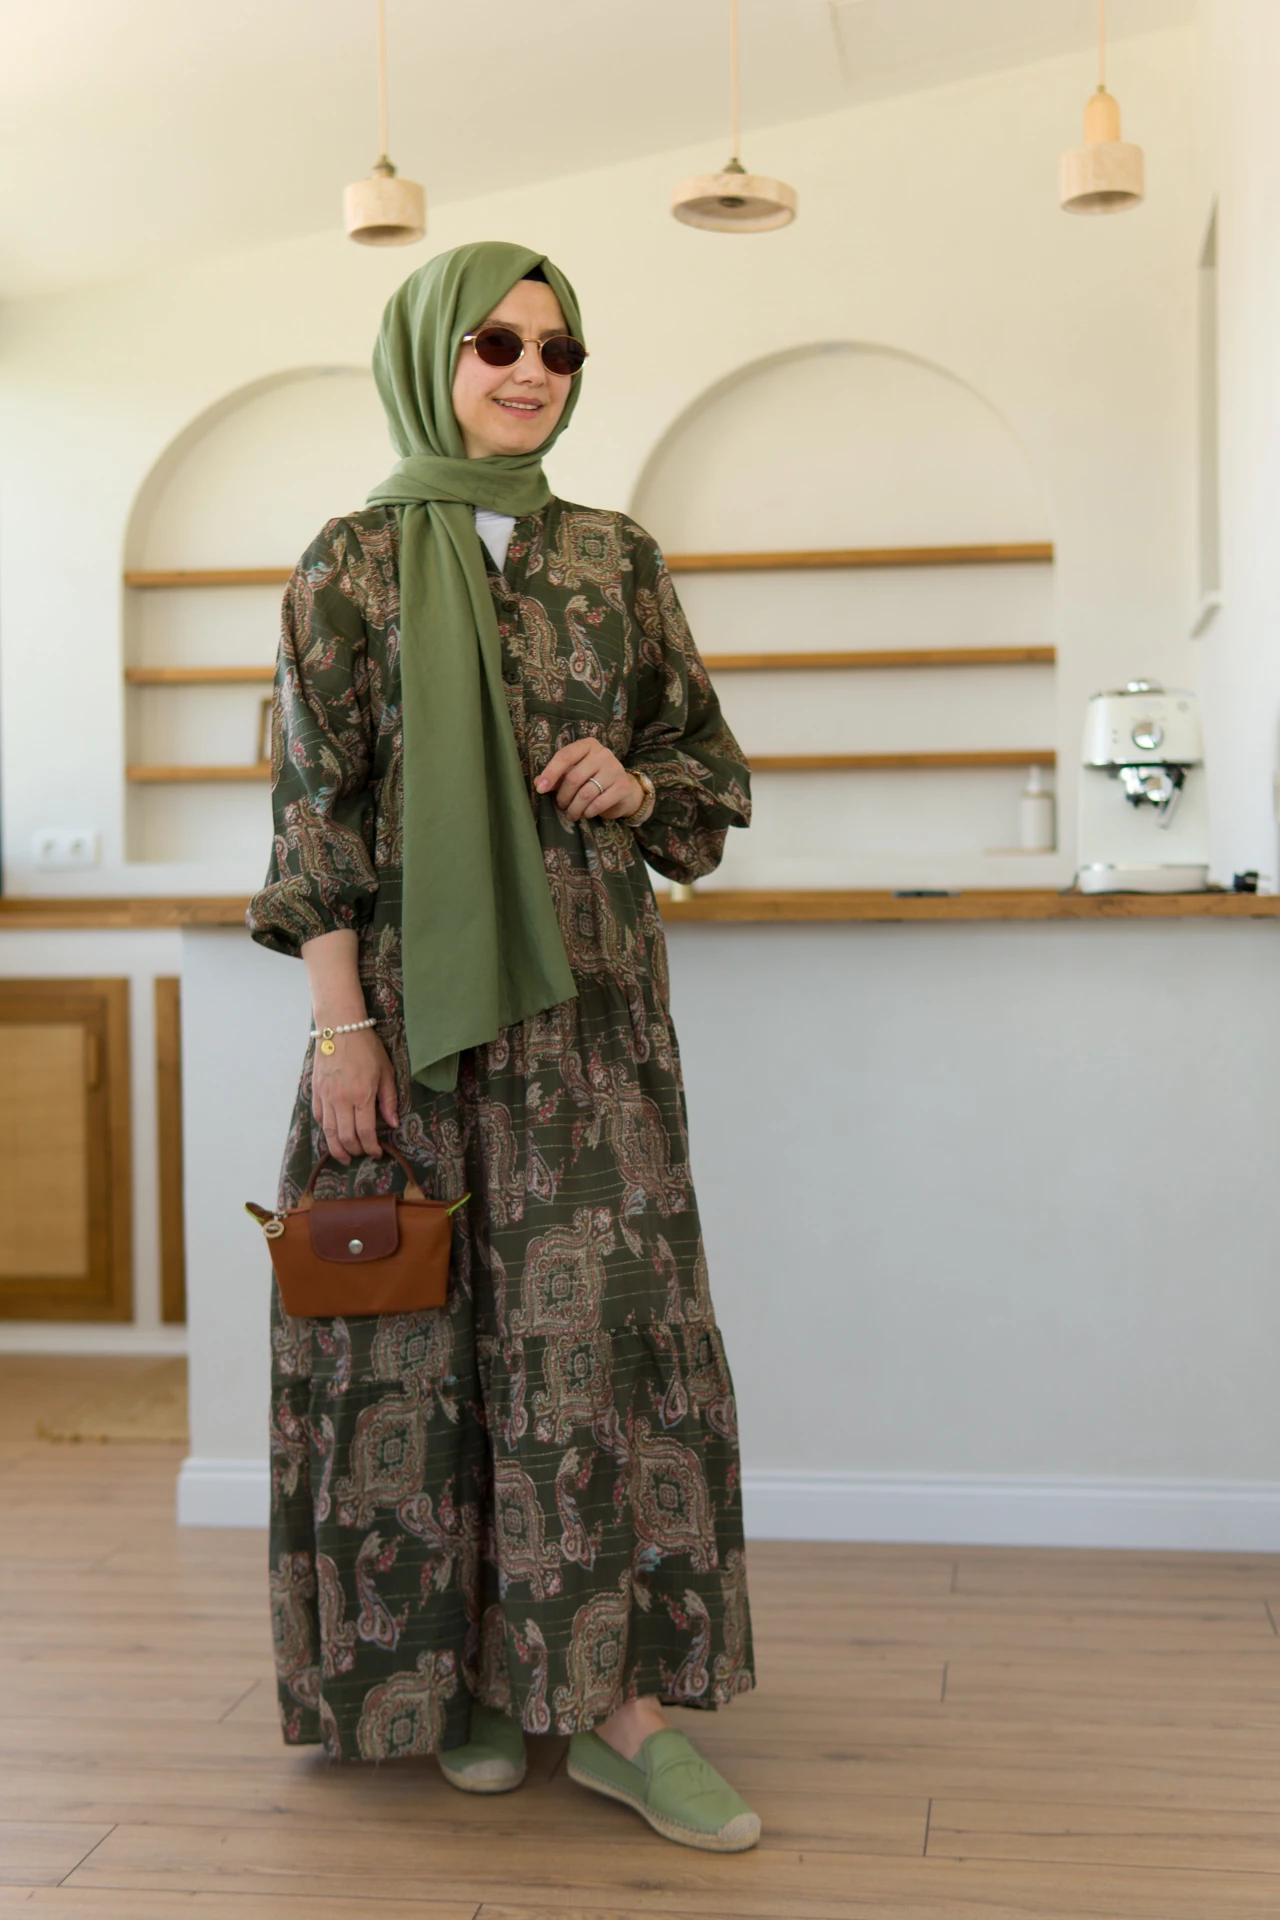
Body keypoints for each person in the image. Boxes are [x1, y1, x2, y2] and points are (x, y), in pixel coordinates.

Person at [247, 239, 758, 1853]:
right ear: (428, 357)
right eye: (497, 343)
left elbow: (708, 773)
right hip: (405, 1026)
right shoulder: (348, 567)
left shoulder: (617, 561)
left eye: (559, 350)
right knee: (421, 1350)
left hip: (594, 1027)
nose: (531, 371)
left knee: (598, 1354)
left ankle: (621, 1711)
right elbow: (314, 817)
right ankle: (469, 1679)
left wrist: (640, 781)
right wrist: (341, 1030)